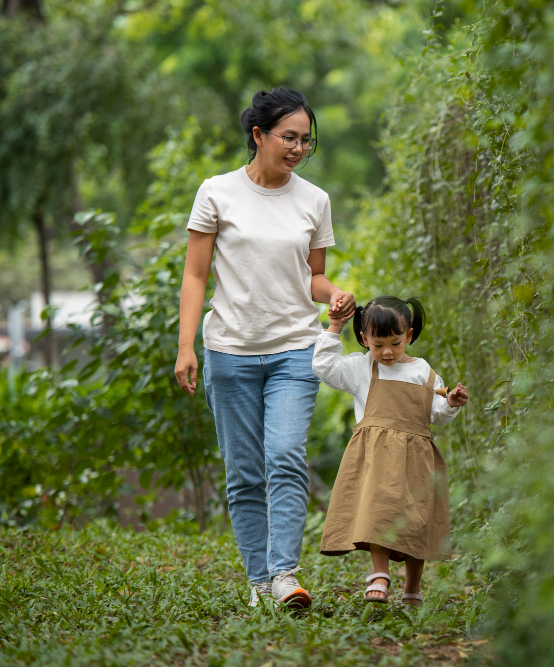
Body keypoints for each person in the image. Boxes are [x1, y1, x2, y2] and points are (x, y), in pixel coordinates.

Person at [174, 87, 356, 609]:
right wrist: (186, 346)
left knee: (284, 456)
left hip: (295, 349)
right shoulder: (217, 192)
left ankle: (284, 574)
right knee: (246, 471)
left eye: (306, 140)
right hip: (229, 350)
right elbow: (194, 274)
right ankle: (259, 581)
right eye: (289, 137)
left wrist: (335, 295)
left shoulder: (314, 200)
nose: (298, 148)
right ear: (258, 135)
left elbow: (314, 276)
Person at [312, 296, 469, 606]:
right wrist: (333, 328)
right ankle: (379, 575)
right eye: (378, 344)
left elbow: (436, 413)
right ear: (364, 339)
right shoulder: (361, 367)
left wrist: (450, 403)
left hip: (417, 458)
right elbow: (324, 366)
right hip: (376, 458)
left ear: (408, 336)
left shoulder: (423, 371)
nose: (386, 352)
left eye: (395, 344)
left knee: (416, 519)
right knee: (377, 513)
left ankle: (412, 588)